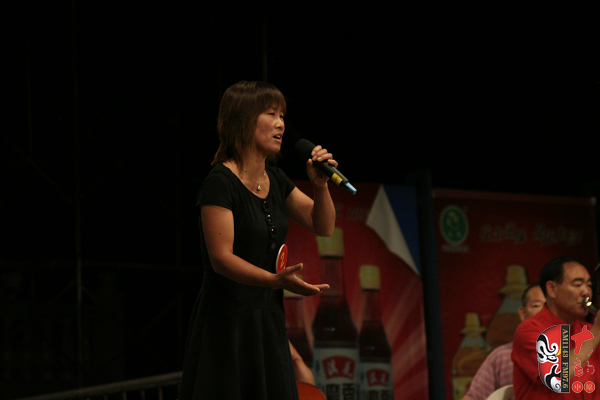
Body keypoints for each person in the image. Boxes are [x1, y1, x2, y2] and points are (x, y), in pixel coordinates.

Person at [179, 80, 337, 400]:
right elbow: (221, 259)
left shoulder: (275, 179)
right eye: (271, 113)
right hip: (227, 322)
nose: (280, 124)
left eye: (282, 115)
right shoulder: (220, 182)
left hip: (267, 318)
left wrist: (321, 186)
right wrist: (274, 280)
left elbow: (323, 226)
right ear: (244, 120)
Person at [512, 256, 600, 399]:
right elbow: (558, 377)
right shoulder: (530, 329)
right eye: (577, 285)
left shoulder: (588, 329)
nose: (586, 292)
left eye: (589, 285)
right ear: (552, 289)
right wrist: (597, 331)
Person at [461, 283, 545, 400]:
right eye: (536, 305)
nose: (544, 312)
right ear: (523, 313)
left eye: (550, 307)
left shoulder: (569, 354)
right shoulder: (501, 356)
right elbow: (474, 397)